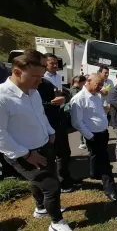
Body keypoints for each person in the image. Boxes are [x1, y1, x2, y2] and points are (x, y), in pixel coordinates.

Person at [0, 54, 71, 230]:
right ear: (17, 72)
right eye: (36, 77)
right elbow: (0, 135)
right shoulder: (2, 98)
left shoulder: (33, 92)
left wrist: (50, 132)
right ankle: (57, 223)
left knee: (41, 181)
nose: (40, 81)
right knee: (52, 186)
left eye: (42, 76)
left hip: (44, 145)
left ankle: (41, 208)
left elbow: (40, 116)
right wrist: (27, 154)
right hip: (22, 153)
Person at [70, 73, 117, 202]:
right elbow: (76, 121)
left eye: (102, 85)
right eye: (98, 85)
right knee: (104, 161)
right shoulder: (79, 98)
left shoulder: (96, 96)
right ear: (88, 81)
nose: (100, 88)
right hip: (93, 135)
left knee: (95, 155)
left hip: (103, 132)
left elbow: (97, 112)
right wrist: (90, 136)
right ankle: (110, 189)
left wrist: (104, 111)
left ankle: (94, 174)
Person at [70, 75, 88, 150]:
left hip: (80, 112)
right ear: (79, 82)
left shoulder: (75, 89)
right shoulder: (75, 91)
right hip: (78, 113)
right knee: (82, 126)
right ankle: (82, 142)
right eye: (83, 84)